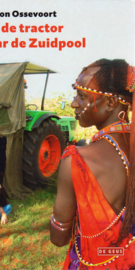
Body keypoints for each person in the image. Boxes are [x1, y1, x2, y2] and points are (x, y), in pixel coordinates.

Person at [50, 59, 135, 270]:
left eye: (82, 96)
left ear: (110, 104)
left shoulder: (77, 160)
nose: (73, 103)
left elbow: (58, 238)